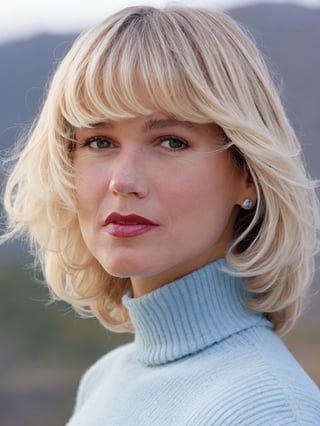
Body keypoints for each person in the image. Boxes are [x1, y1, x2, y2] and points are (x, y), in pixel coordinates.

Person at [2, 5, 320, 425]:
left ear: (248, 174)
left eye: (171, 142)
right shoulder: (103, 380)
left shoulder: (269, 409)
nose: (124, 180)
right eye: (99, 141)